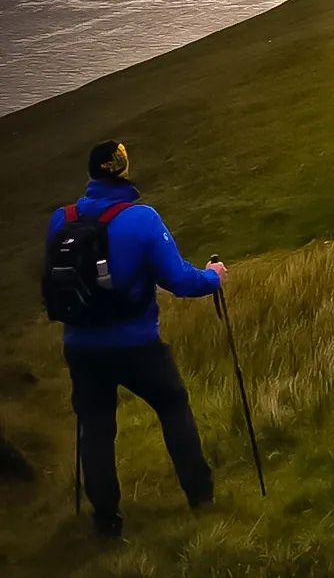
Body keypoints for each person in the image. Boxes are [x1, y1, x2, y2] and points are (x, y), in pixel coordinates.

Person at [44, 139, 227, 539]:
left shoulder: (61, 219)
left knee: (95, 427)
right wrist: (214, 277)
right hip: (136, 344)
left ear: (91, 174)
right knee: (173, 405)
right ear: (124, 170)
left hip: (81, 346)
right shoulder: (141, 218)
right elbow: (180, 281)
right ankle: (201, 499)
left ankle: (106, 522)